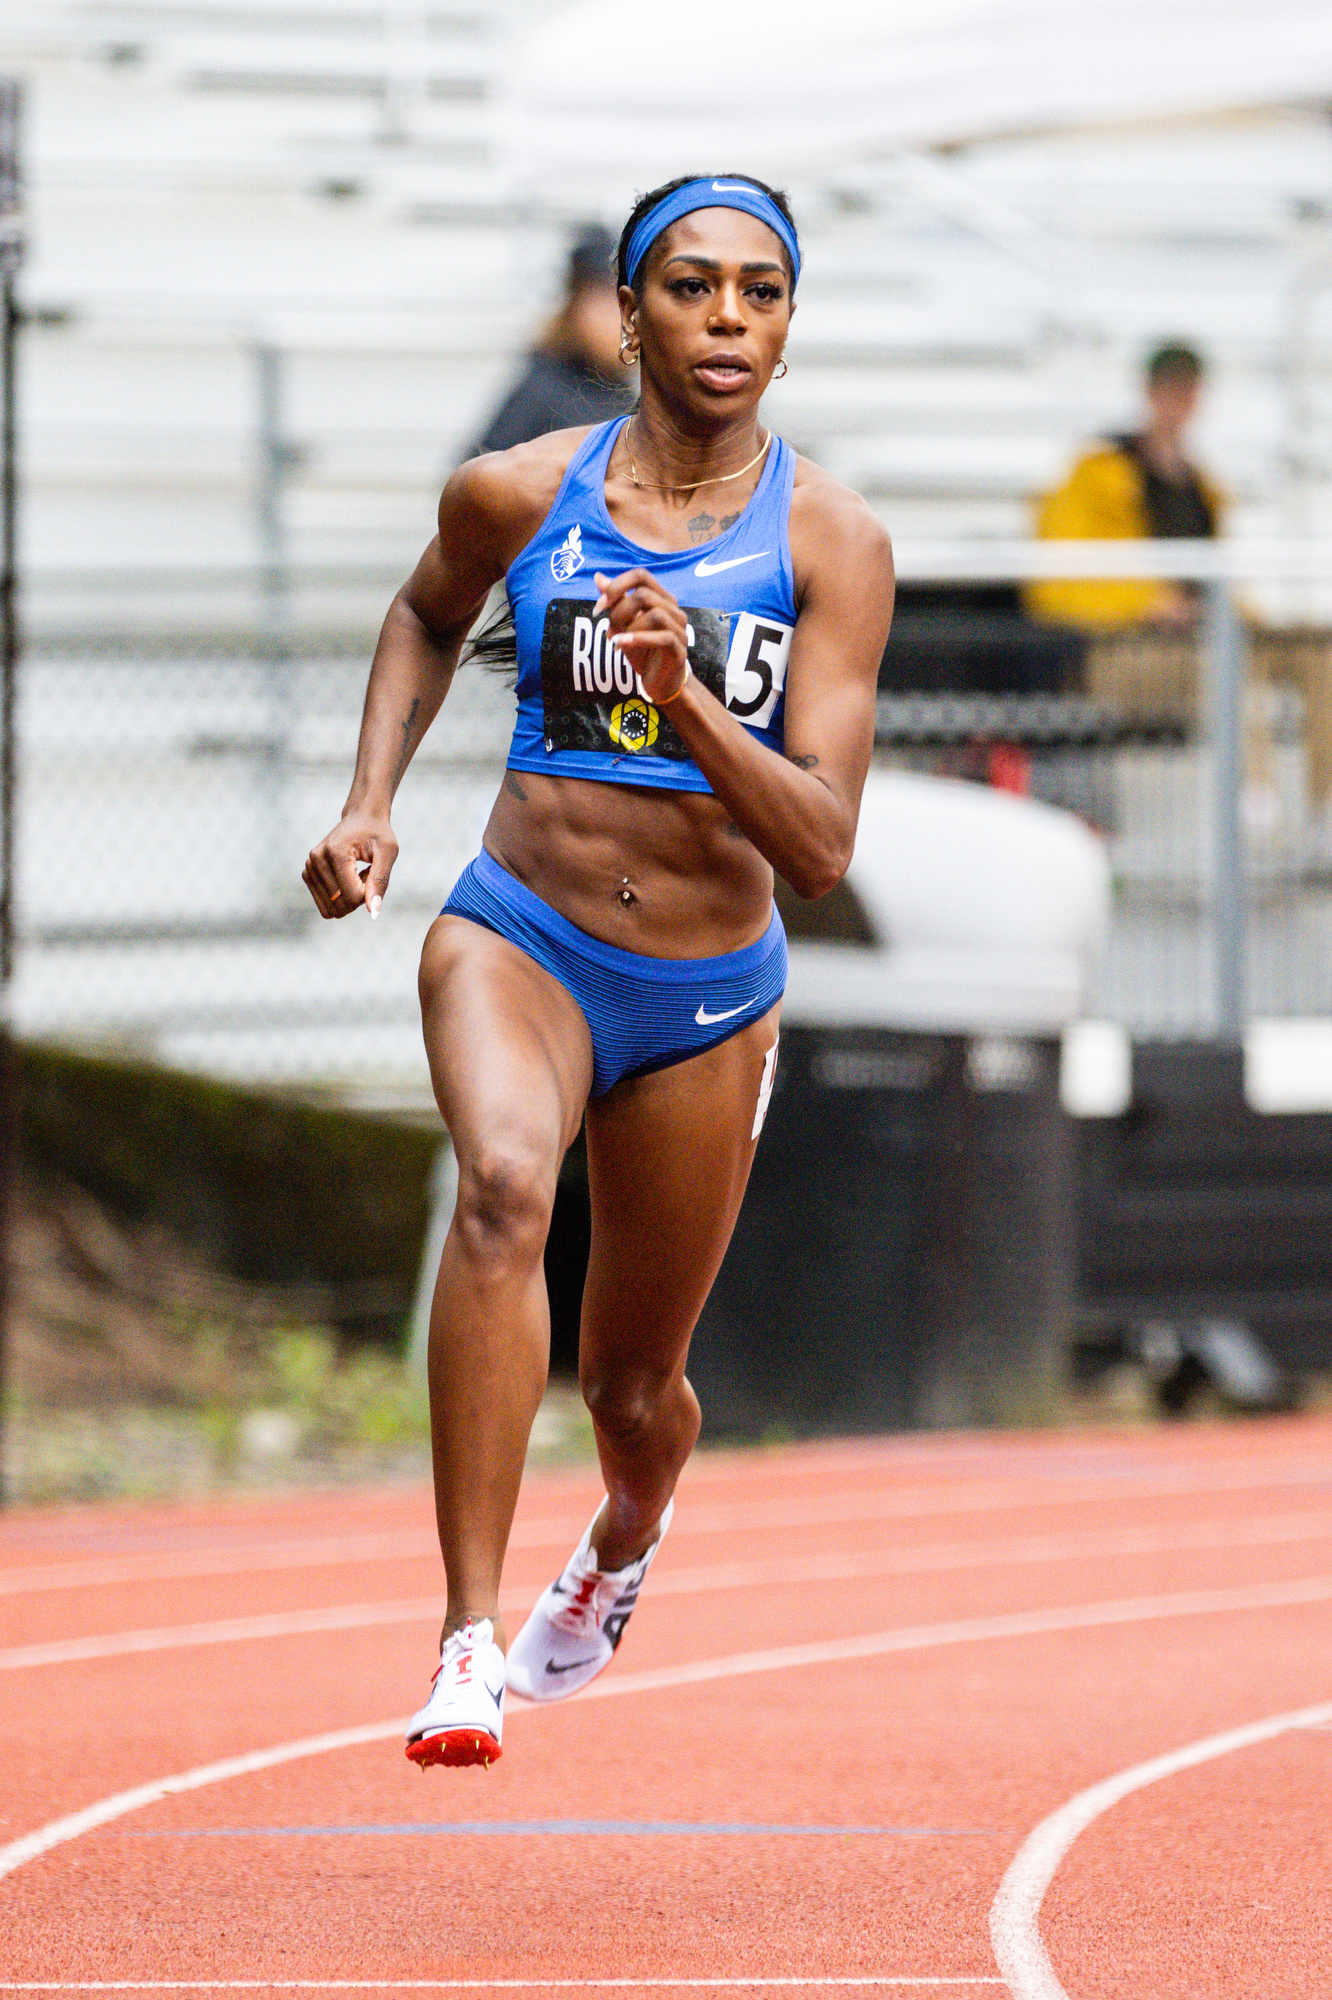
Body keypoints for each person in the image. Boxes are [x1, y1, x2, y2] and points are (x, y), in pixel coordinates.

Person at [303, 173, 894, 1770]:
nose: (726, 319)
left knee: (633, 1391)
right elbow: (427, 615)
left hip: (704, 993)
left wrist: (687, 698)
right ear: (626, 313)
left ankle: (625, 1538)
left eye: (760, 293)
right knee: (502, 1188)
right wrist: (369, 807)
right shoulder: (518, 493)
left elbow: (824, 846)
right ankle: (464, 1643)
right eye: (692, 288)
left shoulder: (830, 539)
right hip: (524, 930)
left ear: (785, 324)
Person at [1023, 342, 1223, 632]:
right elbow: (1057, 579)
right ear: (1149, 392)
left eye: (1188, 389)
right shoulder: (1096, 473)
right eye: (1171, 388)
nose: (1180, 400)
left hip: (1186, 640)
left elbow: (1213, 575)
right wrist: (1146, 603)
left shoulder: (1204, 487)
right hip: (1119, 643)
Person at [466, 223, 634, 457]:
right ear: (576, 306)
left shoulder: (626, 389)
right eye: (602, 304)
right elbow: (476, 470)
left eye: (621, 306)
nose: (615, 321)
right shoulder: (544, 386)